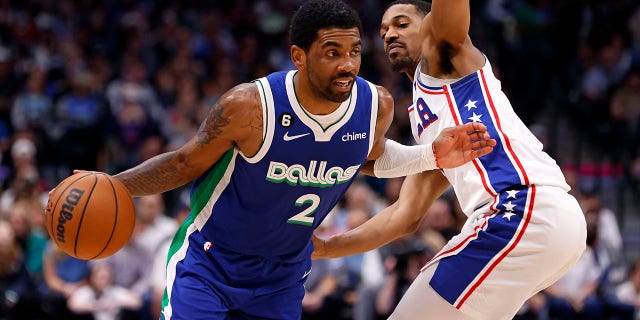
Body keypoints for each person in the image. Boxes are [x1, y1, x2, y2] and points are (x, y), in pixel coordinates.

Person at [58, 1, 495, 319]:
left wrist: (430, 154)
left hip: (283, 276)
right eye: (332, 52)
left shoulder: (374, 104)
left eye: (355, 51)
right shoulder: (250, 105)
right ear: (299, 56)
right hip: (211, 263)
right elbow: (185, 163)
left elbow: (371, 157)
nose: (348, 64)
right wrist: (113, 183)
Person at [312, 1, 588, 319]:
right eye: (384, 30)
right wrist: (325, 248)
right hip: (542, 224)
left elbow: (450, 13)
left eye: (401, 24)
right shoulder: (427, 121)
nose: (389, 34)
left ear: (429, 24)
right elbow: (405, 214)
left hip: (521, 210)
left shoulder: (446, 57)